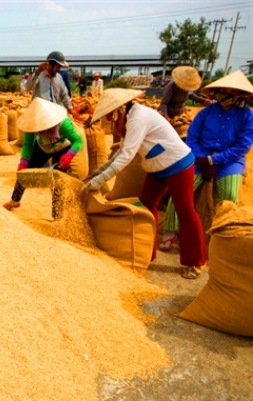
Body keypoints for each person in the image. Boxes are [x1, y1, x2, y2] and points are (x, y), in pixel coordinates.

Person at [84, 88, 206, 279]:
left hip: (178, 164)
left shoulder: (138, 118)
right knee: (146, 204)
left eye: (110, 116)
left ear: (118, 110)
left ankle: (196, 262)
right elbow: (120, 151)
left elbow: (127, 155)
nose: (110, 121)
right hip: (157, 167)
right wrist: (95, 175)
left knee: (185, 210)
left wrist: (100, 181)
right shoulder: (129, 116)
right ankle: (147, 253)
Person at [159, 70, 253, 256]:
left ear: (237, 96)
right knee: (180, 191)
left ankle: (221, 239)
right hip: (199, 157)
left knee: (228, 197)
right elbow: (192, 138)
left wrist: (214, 160)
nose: (221, 95)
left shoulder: (247, 116)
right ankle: (170, 231)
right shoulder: (206, 113)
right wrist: (202, 158)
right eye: (219, 90)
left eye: (227, 91)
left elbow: (242, 146)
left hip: (230, 162)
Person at [3, 97, 83, 210]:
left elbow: (78, 141)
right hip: (42, 146)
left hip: (62, 147)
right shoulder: (30, 125)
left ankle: (58, 215)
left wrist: (69, 155)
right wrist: (24, 161)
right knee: (24, 173)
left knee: (58, 181)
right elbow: (28, 144)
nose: (40, 131)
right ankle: (15, 200)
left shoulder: (63, 124)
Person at [24, 51, 80, 119]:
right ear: (50, 65)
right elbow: (28, 87)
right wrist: (38, 71)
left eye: (60, 67)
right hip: (39, 115)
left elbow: (64, 94)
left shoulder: (58, 78)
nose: (59, 69)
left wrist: (70, 109)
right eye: (57, 66)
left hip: (54, 114)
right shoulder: (39, 75)